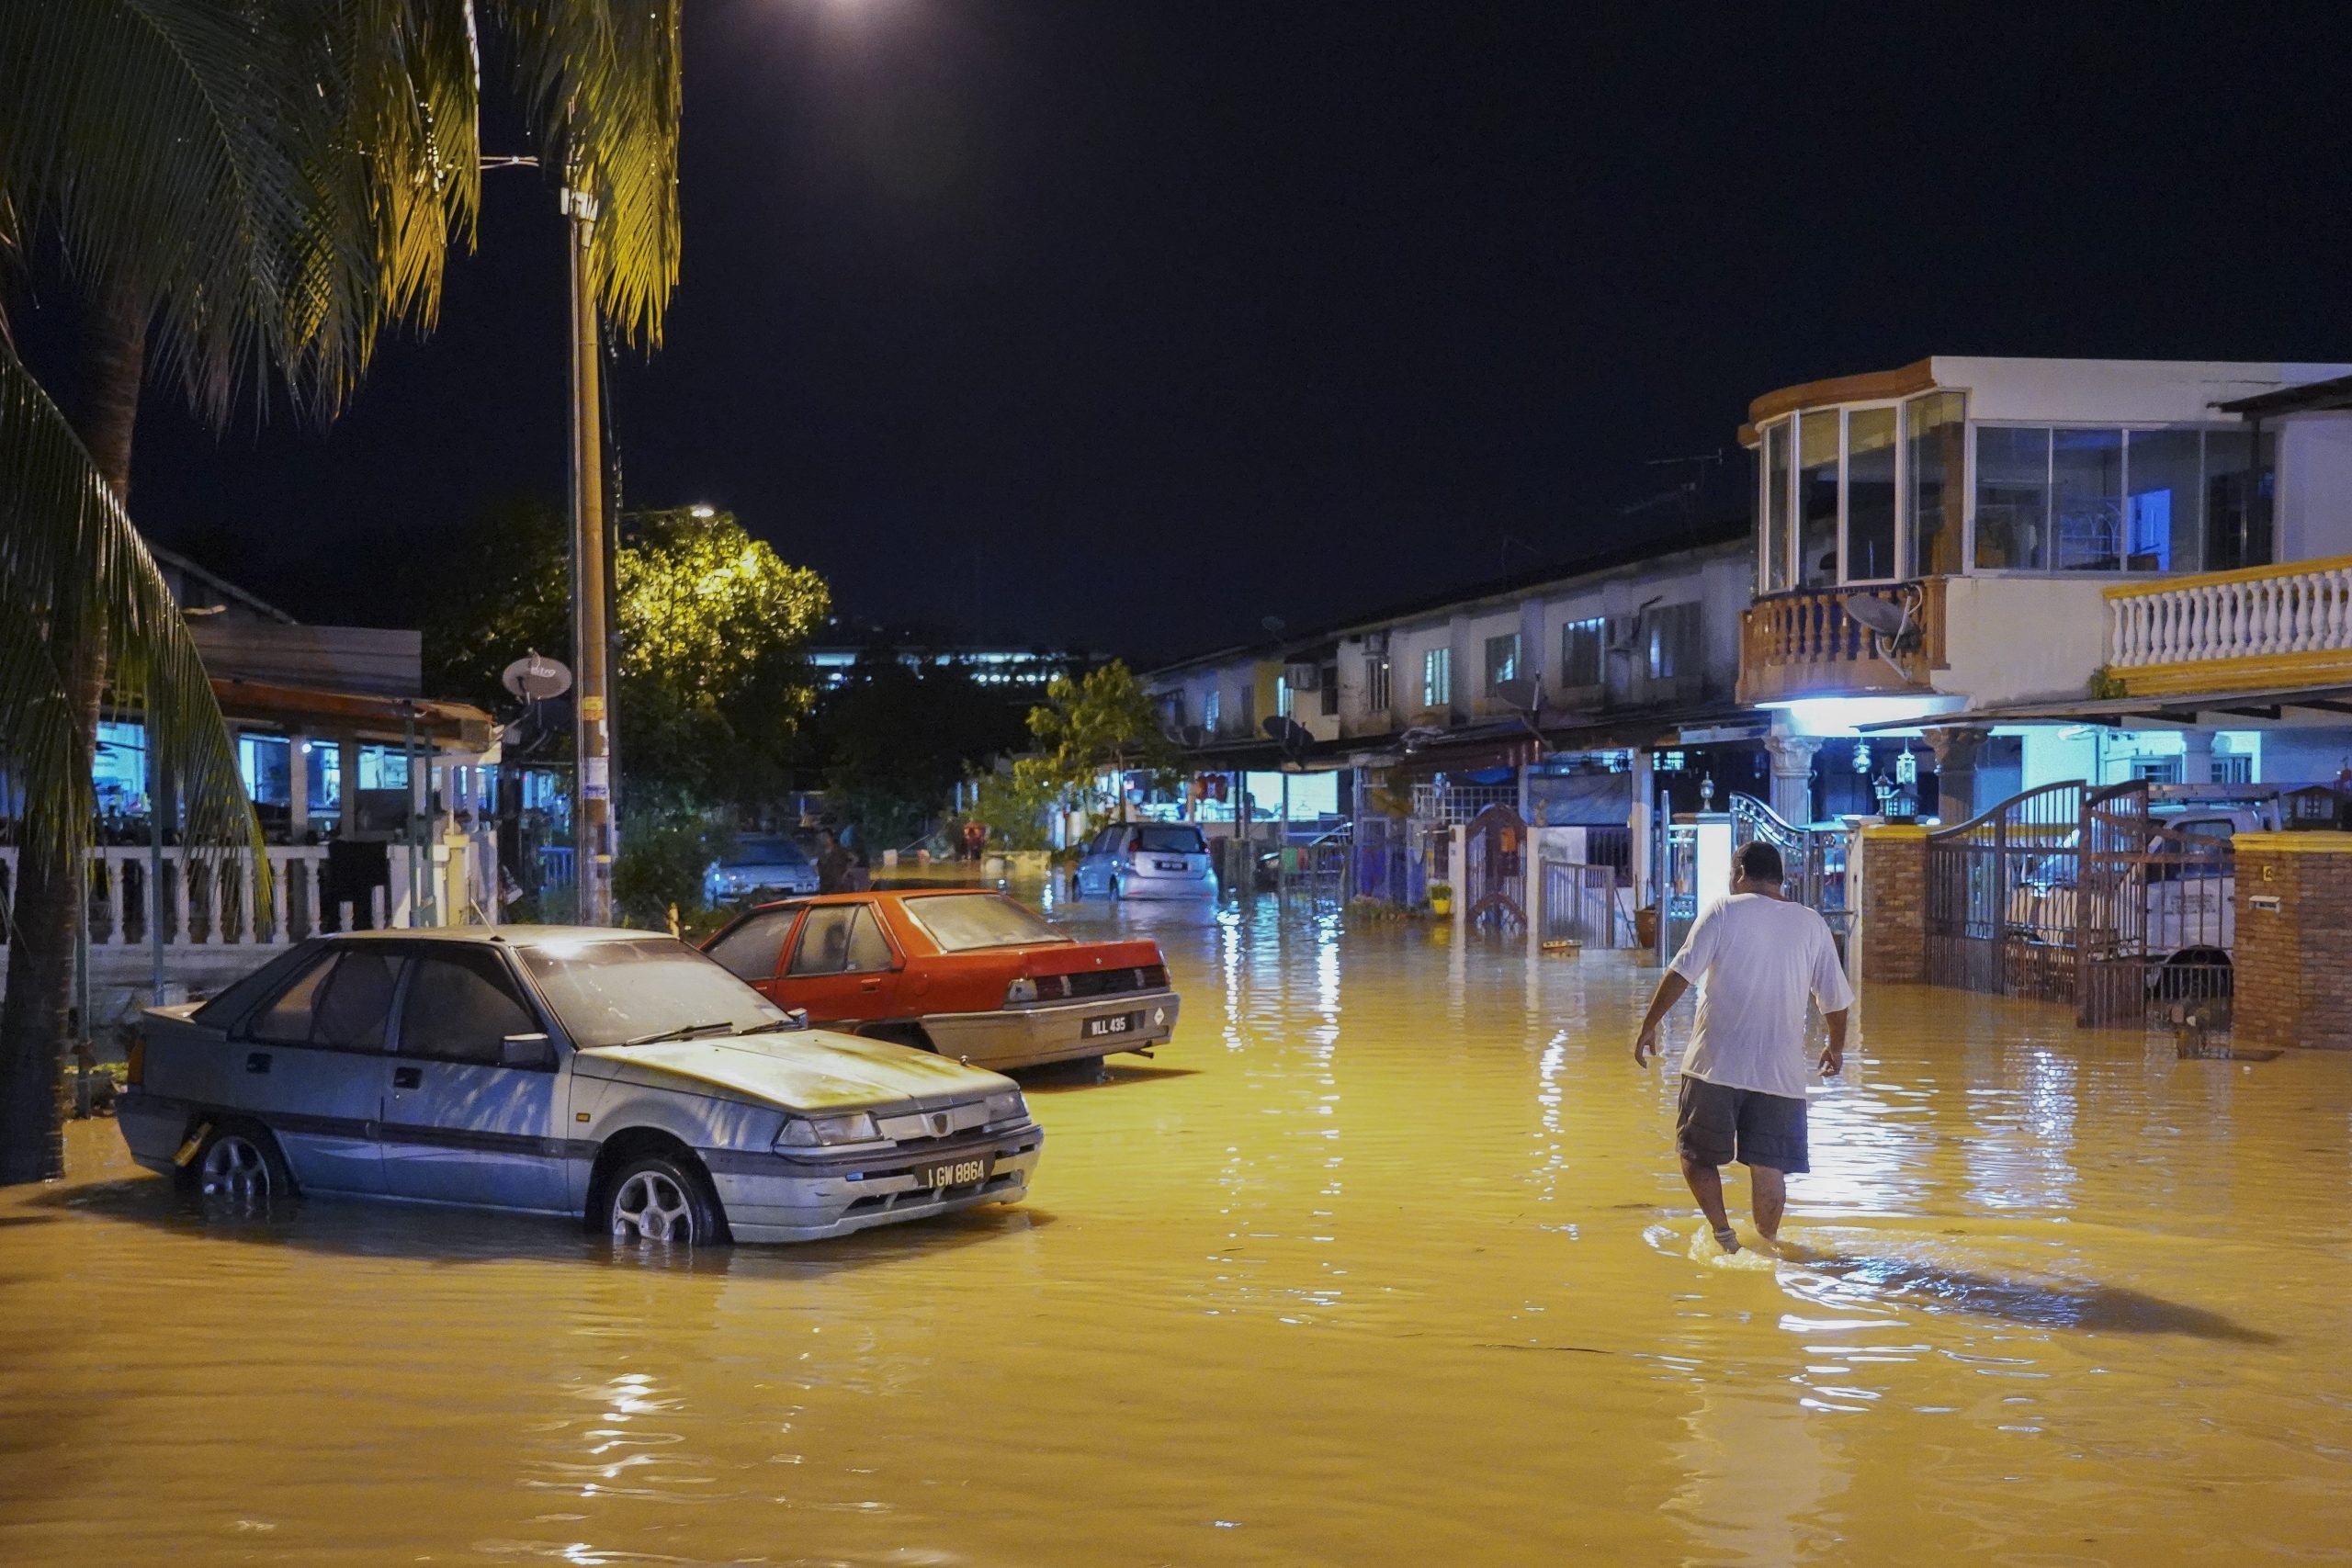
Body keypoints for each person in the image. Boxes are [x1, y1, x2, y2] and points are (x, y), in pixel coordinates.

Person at [1632, 840, 1853, 1255]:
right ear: (1779, 879)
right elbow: (1835, 1000)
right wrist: (1835, 1046)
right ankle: (1766, 1246)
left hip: (1715, 1065)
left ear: (1739, 874)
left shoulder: (1723, 910)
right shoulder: (1811, 923)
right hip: (1781, 1075)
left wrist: (1649, 1024)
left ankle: (1724, 1236)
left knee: (1696, 1154)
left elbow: (1682, 970)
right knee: (1768, 1165)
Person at [814, 829, 853, 894]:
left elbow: (855, 859)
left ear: (831, 837)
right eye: (821, 837)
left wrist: (846, 873)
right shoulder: (820, 853)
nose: (823, 839)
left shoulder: (841, 850)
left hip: (839, 886)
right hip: (825, 886)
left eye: (825, 837)